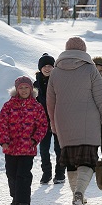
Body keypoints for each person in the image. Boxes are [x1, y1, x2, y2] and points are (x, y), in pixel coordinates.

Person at [46, 37, 102, 205]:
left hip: (63, 120)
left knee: (71, 160)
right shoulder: (90, 69)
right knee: (87, 159)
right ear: (83, 50)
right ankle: (80, 192)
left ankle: (76, 194)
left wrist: (54, 124)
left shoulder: (55, 71)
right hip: (88, 121)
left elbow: (50, 102)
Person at [0, 75, 48, 205]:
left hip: (27, 148)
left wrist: (34, 139)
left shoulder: (37, 107)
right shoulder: (8, 106)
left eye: (27, 87)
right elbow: (2, 124)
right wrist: (4, 141)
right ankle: (15, 196)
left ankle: (24, 201)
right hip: (11, 147)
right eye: (21, 88)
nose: (24, 90)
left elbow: (43, 126)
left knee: (24, 174)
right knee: (11, 173)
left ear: (31, 89)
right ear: (17, 90)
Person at [33, 53, 65, 185]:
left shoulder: (59, 81)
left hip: (57, 119)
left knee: (59, 148)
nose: (47, 68)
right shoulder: (35, 84)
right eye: (44, 66)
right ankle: (46, 174)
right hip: (43, 121)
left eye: (50, 66)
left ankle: (60, 173)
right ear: (40, 68)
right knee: (44, 149)